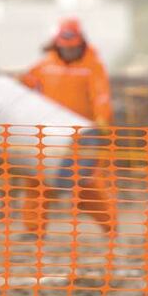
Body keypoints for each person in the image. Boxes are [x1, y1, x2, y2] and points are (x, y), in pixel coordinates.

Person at [18, 18, 114, 234]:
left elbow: (101, 96)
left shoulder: (92, 66)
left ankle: (110, 226)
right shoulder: (44, 66)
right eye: (64, 47)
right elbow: (26, 87)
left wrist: (102, 119)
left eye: (72, 48)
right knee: (37, 182)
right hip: (48, 134)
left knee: (86, 183)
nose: (69, 52)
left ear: (81, 43)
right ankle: (34, 230)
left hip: (80, 137)